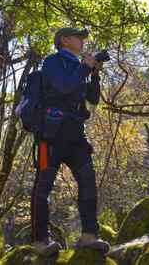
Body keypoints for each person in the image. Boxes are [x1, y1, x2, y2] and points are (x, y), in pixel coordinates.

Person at [30, 27, 109, 256]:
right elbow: (64, 86)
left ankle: (89, 236)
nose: (83, 41)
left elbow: (92, 98)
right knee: (43, 187)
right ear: (65, 40)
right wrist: (85, 66)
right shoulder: (52, 62)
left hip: (76, 134)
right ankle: (40, 241)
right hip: (51, 134)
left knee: (88, 181)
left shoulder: (79, 66)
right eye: (79, 37)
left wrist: (94, 72)